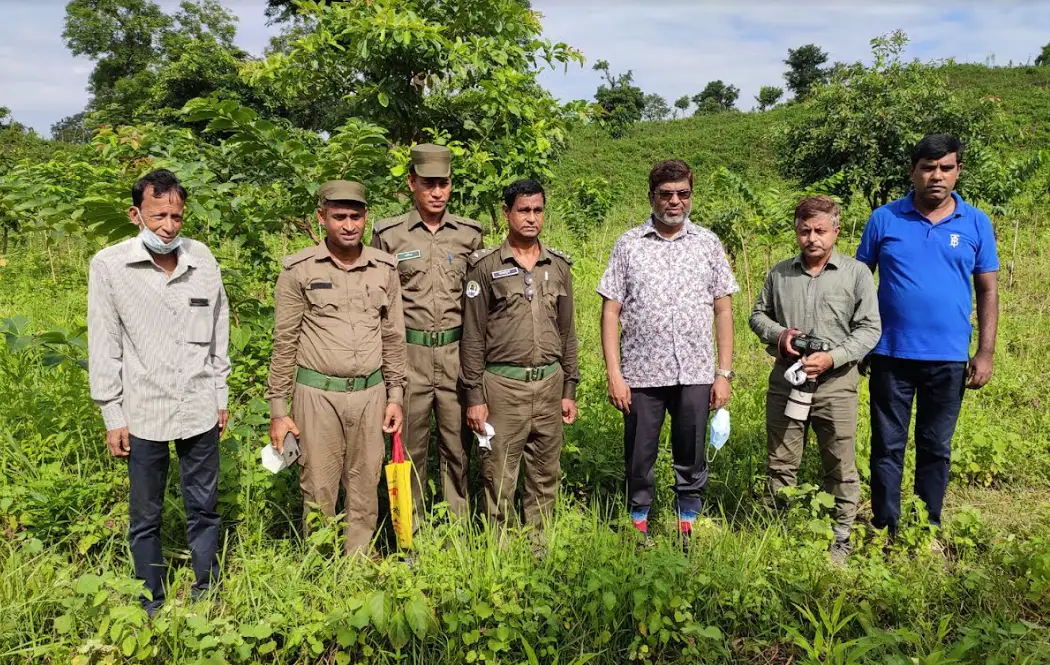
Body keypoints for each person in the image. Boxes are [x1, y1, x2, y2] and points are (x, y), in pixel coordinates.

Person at [88, 169, 230, 615]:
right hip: (143, 409)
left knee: (204, 505)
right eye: (157, 216)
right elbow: (104, 342)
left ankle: (208, 591)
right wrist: (112, 412)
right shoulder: (110, 266)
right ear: (136, 214)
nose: (168, 226)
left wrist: (220, 394)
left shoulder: (202, 258)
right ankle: (151, 600)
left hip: (199, 404)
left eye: (176, 216)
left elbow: (218, 330)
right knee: (145, 516)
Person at [857, 134, 999, 539]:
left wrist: (985, 352)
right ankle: (886, 526)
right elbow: (859, 281)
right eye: (928, 167)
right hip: (890, 354)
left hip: (949, 358)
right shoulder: (884, 218)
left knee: (936, 447)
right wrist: (861, 341)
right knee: (887, 445)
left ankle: (926, 526)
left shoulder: (975, 223)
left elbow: (988, 289)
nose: (936, 176)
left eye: (946, 168)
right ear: (913, 171)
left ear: (958, 172)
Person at [597, 159, 738, 543]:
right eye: (666, 194)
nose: (675, 202)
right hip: (641, 374)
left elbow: (723, 309)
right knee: (640, 455)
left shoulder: (707, 243)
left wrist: (723, 374)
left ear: (690, 196)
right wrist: (615, 373)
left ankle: (686, 525)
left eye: (683, 194)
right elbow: (611, 311)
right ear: (652, 197)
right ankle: (638, 524)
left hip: (695, 371)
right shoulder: (629, 244)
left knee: (691, 454)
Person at [265, 180, 407, 556]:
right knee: (319, 485)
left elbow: (393, 338)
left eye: (356, 217)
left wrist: (395, 397)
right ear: (322, 218)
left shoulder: (384, 269)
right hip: (317, 395)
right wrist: (279, 412)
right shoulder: (299, 270)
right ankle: (321, 562)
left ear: (366, 218)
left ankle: (359, 560)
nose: (348, 225)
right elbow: (284, 343)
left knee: (365, 483)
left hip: (371, 394)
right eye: (339, 216)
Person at [749, 196, 881, 563]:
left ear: (836, 231)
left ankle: (841, 535)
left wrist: (833, 357)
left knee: (839, 460)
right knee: (781, 458)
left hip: (836, 384)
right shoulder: (779, 273)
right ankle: (776, 530)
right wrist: (781, 336)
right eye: (805, 230)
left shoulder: (856, 275)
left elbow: (870, 328)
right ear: (796, 231)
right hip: (787, 380)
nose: (812, 238)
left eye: (820, 230)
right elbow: (758, 315)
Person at [371, 144, 483, 521]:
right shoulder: (389, 236)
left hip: (454, 354)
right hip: (410, 356)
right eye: (429, 184)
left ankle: (458, 525)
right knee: (408, 447)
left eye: (444, 184)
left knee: (458, 446)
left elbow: (477, 303)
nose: (437, 192)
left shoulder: (468, 235)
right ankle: (409, 532)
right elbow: (379, 303)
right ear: (412, 183)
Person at [459, 179, 579, 529]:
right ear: (506, 212)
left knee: (545, 473)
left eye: (538, 210)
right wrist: (474, 396)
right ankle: (500, 549)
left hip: (548, 385)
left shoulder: (557, 266)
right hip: (503, 387)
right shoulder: (485, 267)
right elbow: (472, 337)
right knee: (499, 475)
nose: (531, 218)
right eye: (523, 210)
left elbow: (568, 333)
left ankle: (539, 545)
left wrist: (569, 388)